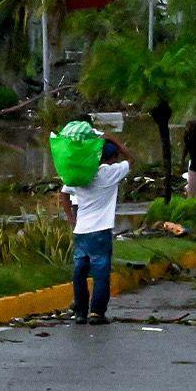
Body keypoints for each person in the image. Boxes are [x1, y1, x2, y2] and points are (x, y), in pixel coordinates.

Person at [62, 136, 130, 325]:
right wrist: (114, 140)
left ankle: (80, 312)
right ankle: (97, 313)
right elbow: (132, 159)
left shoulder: (83, 172)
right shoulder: (110, 172)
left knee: (80, 273)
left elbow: (64, 193)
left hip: (81, 231)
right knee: (100, 273)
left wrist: (71, 219)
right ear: (112, 158)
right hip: (100, 231)